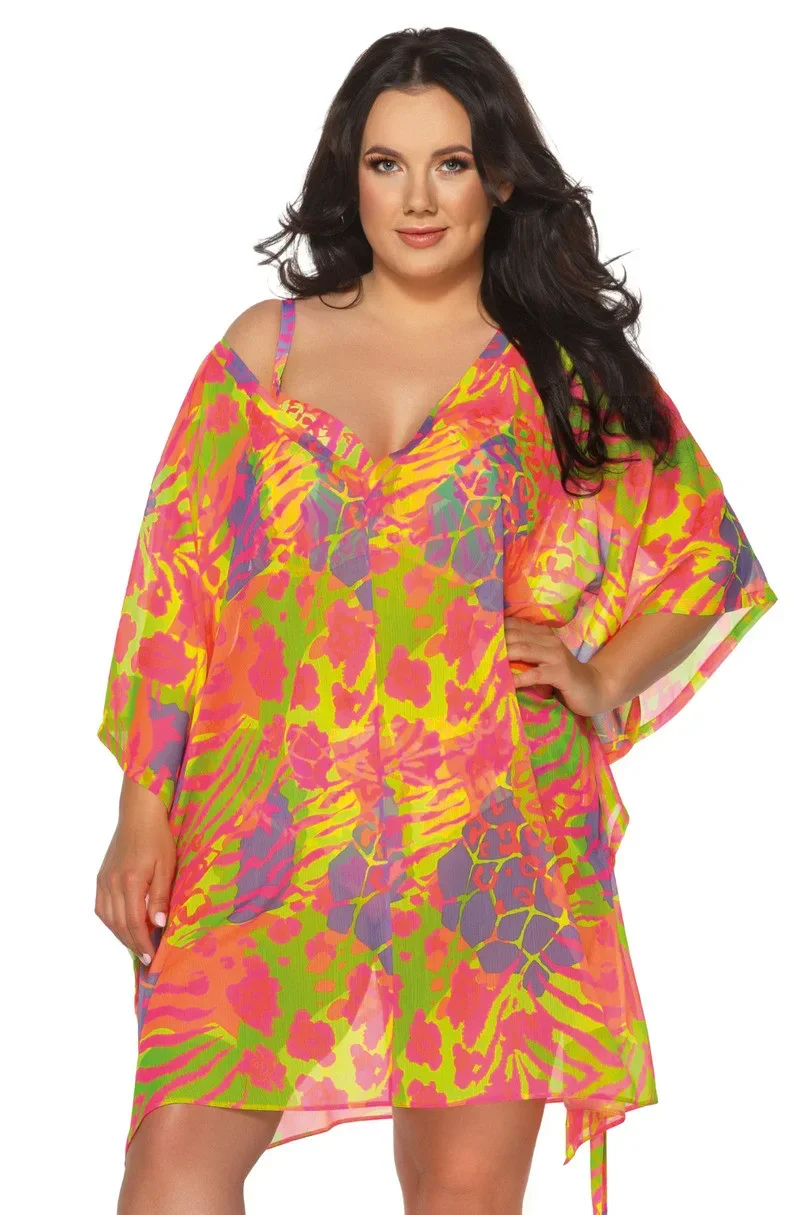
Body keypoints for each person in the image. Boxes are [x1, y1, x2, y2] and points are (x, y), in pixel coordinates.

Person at [94, 25, 777, 1215]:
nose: (417, 199)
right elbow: (173, 592)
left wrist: (599, 677)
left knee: (461, 1192)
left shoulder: (560, 367)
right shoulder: (265, 352)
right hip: (268, 831)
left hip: (491, 833)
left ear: (498, 177)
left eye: (450, 163)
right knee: (173, 1170)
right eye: (387, 164)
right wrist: (142, 809)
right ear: (349, 175)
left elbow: (705, 553)